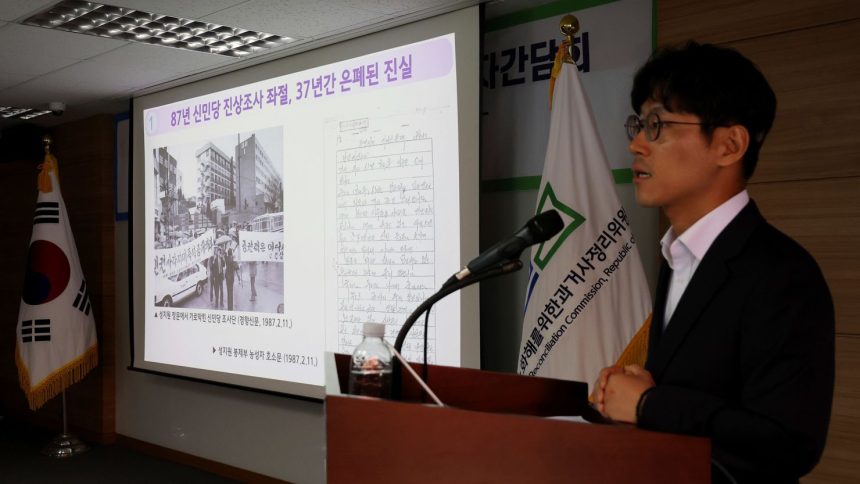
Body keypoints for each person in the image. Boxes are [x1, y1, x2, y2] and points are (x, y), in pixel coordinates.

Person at [593, 42, 834, 483]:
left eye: (657, 125)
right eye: (639, 124)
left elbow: (788, 443)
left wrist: (649, 404)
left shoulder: (783, 274)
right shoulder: (677, 256)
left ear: (729, 144)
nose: (635, 144)